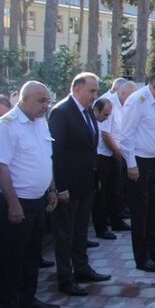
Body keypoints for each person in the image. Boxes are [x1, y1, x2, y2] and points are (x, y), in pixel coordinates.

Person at [49, 73, 111, 297]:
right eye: (91, 91)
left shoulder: (87, 113)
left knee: (81, 231)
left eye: (96, 91)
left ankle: (82, 268)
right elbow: (56, 153)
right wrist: (61, 187)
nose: (95, 96)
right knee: (65, 234)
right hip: (69, 186)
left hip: (86, 184)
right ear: (77, 89)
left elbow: (90, 147)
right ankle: (65, 278)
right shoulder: (61, 112)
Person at [0, 81, 59, 308]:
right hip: (16, 202)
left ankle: (28, 298)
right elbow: (2, 167)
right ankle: (9, 301)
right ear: (23, 100)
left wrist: (52, 189)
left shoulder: (41, 122)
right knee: (13, 257)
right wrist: (14, 204)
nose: (45, 105)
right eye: (41, 100)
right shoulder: (7, 125)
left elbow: (47, 157)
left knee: (33, 255)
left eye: (47, 101)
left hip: (38, 200)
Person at [120, 71, 155, 273]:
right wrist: (131, 164)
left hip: (152, 160)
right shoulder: (138, 101)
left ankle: (153, 249)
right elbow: (125, 135)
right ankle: (141, 258)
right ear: (154, 86)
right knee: (140, 213)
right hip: (137, 163)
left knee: (152, 208)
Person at [92, 81, 136, 241]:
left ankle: (117, 220)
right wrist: (119, 154)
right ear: (123, 93)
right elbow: (106, 134)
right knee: (102, 193)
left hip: (117, 154)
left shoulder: (125, 104)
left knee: (115, 190)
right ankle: (102, 227)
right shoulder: (108, 103)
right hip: (104, 155)